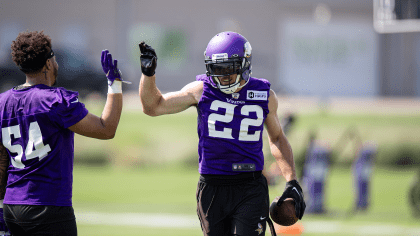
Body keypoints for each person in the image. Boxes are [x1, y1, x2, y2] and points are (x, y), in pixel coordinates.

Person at [139, 31, 305, 236]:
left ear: (245, 64)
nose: (223, 76)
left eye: (229, 69)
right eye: (218, 69)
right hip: (212, 185)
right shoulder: (201, 90)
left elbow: (277, 138)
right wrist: (148, 74)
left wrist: (292, 180)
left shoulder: (264, 94)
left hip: (250, 185)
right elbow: (153, 107)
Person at [0, 30, 126, 236]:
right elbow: (106, 129)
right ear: (48, 63)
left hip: (12, 207)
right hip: (48, 207)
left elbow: (1, 160)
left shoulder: (2, 102)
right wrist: (115, 84)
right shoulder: (55, 100)